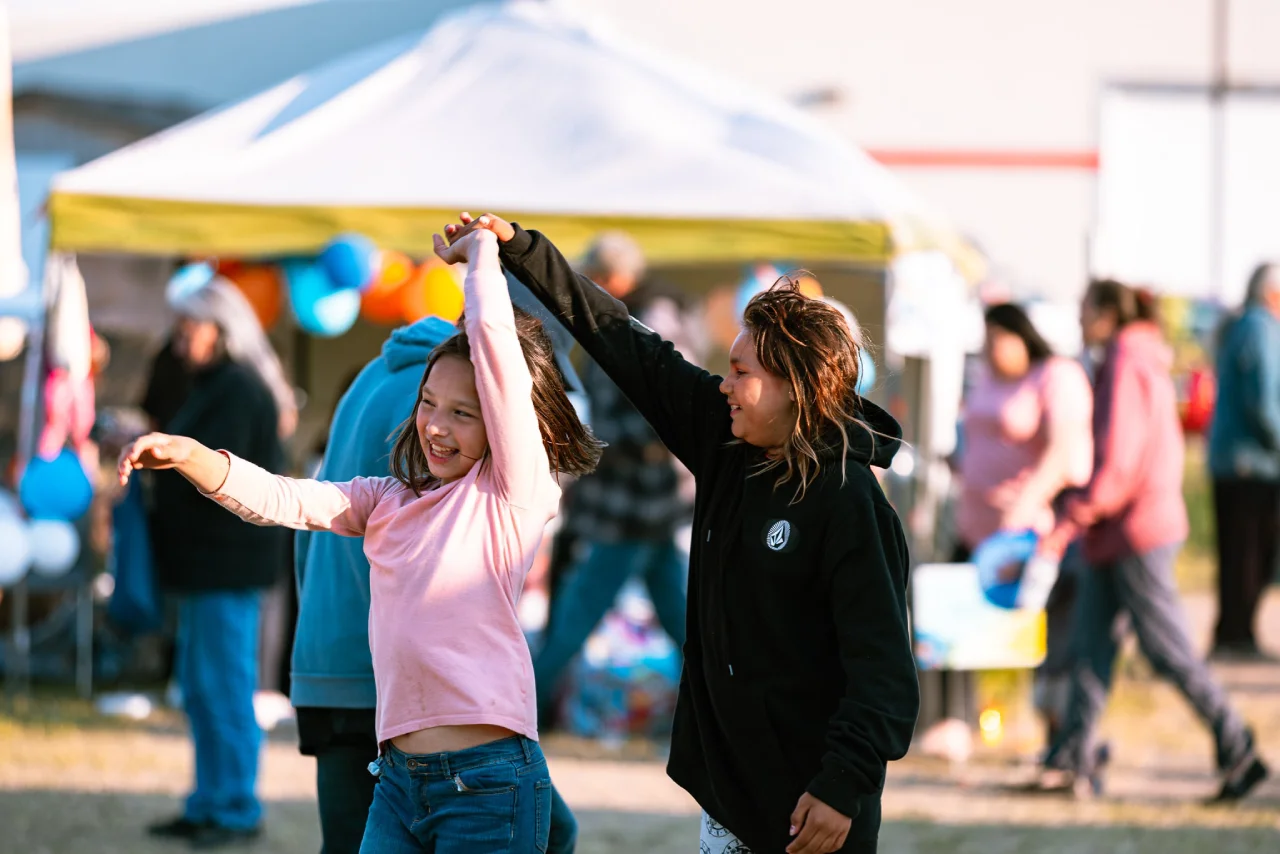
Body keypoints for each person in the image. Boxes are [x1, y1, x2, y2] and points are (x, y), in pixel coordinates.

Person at [119, 228, 602, 853]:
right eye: (429, 403)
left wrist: (483, 255)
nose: (435, 424)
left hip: (489, 784)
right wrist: (193, 458)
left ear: (503, 426)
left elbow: (495, 352)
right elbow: (283, 500)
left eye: (463, 412)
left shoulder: (510, 497)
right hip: (399, 780)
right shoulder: (388, 498)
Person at [448, 213, 918, 854]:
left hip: (816, 804)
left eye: (742, 372)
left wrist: (846, 784)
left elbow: (884, 671)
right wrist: (522, 250)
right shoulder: (727, 441)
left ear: (797, 388)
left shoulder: (849, 499)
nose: (724, 384)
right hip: (731, 792)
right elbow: (624, 341)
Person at [293, 313, 580, 854]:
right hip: (381, 686)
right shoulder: (450, 401)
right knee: (555, 832)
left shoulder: (374, 377)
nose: (436, 422)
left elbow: (311, 523)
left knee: (549, 826)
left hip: (340, 666)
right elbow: (381, 551)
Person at [1037, 280, 1268, 801]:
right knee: (1090, 648)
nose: (1078, 319)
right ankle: (1073, 760)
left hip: (1136, 531)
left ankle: (1240, 749)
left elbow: (1120, 463)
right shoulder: (1132, 356)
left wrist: (1074, 516)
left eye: (1082, 308)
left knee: (1168, 651)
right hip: (1116, 532)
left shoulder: (1126, 361)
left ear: (1105, 313)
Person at [142, 276, 292, 848]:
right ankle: (209, 800)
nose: (180, 343)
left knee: (225, 688)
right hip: (208, 566)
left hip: (227, 567)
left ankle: (234, 806)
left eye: (188, 329)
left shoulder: (238, 390)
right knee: (203, 688)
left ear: (221, 331)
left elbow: (216, 480)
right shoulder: (217, 386)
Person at [534, 231, 699, 722]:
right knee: (681, 620)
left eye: (597, 273)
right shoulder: (629, 313)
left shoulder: (652, 320)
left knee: (576, 616)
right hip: (641, 501)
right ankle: (720, 707)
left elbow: (674, 408)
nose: (591, 282)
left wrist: (611, 439)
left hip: (639, 499)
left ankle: (523, 709)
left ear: (620, 275)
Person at [955, 303, 1094, 741]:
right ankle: (965, 722)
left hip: (1030, 536)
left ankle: (1054, 735)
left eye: (1000, 337)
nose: (991, 348)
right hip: (974, 531)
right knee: (965, 635)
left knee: (1046, 639)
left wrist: (1025, 504)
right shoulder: (987, 378)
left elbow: (1062, 453)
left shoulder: (1056, 376)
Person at [1207, 262, 1280, 660]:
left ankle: (1234, 634)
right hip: (1249, 462)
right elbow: (1263, 402)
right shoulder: (1260, 327)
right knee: (1249, 555)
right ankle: (1236, 638)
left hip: (1242, 460)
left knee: (1242, 553)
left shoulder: (1250, 325)